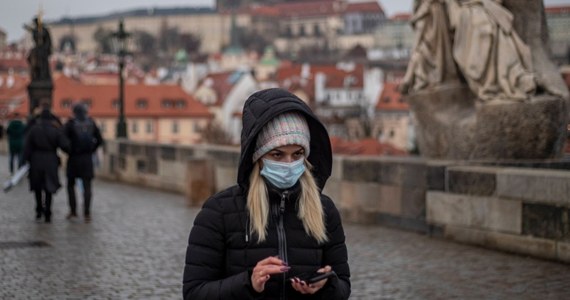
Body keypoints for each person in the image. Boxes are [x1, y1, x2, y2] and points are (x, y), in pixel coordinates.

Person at [182, 88, 351, 299]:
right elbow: (194, 293)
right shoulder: (219, 212)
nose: (289, 164)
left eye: (297, 154)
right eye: (277, 154)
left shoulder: (324, 210)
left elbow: (343, 287)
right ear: (257, 157)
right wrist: (248, 283)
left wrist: (327, 285)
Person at [23, 106, 69, 223]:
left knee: (37, 186)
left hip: (36, 159)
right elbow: (64, 145)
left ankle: (39, 209)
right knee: (49, 187)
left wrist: (25, 160)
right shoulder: (55, 130)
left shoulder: (34, 129)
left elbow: (27, 147)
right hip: (51, 160)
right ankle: (48, 211)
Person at [63, 103, 103, 223]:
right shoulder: (91, 123)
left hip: (73, 158)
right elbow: (100, 140)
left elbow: (62, 140)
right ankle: (87, 213)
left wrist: (69, 150)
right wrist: (92, 149)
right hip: (87, 158)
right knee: (87, 186)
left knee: (71, 185)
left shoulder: (70, 124)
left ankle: (73, 211)